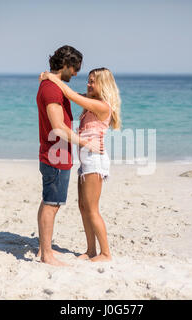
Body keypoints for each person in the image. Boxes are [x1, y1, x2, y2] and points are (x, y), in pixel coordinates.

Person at [39, 67, 121, 262]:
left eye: (93, 81)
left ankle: (106, 253)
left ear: (103, 84)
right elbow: (71, 94)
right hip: (86, 159)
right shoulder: (93, 101)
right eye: (88, 80)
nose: (88, 84)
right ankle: (91, 250)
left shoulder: (103, 106)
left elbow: (69, 94)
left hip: (95, 159)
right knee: (83, 206)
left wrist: (51, 78)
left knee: (92, 208)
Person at [36, 45, 103, 266]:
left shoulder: (53, 86)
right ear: (65, 65)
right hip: (56, 155)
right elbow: (58, 127)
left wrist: (49, 77)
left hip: (55, 154)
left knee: (49, 201)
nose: (76, 73)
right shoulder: (52, 90)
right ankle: (46, 254)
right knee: (52, 204)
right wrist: (86, 143)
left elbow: (75, 96)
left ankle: (43, 250)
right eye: (74, 68)